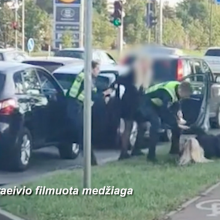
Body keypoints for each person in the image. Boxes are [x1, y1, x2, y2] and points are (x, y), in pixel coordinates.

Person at [66, 60, 112, 165]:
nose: (98, 71)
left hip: (76, 106)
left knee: (84, 134)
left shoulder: (83, 76)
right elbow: (91, 94)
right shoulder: (87, 78)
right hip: (76, 108)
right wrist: (105, 93)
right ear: (91, 69)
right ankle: (90, 161)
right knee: (84, 134)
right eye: (97, 69)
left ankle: (90, 159)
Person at [138, 81, 192, 162]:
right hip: (146, 101)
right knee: (156, 123)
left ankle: (174, 150)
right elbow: (164, 112)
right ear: (181, 91)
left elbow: (176, 101)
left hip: (157, 103)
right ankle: (151, 156)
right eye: (185, 96)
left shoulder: (178, 86)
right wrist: (176, 122)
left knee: (174, 124)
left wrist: (178, 112)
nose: (185, 98)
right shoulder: (167, 93)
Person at [117, 54, 153, 160]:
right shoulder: (137, 72)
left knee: (136, 126)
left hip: (129, 101)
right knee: (135, 126)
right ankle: (129, 151)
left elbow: (119, 80)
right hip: (135, 102)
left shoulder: (132, 72)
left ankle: (129, 150)